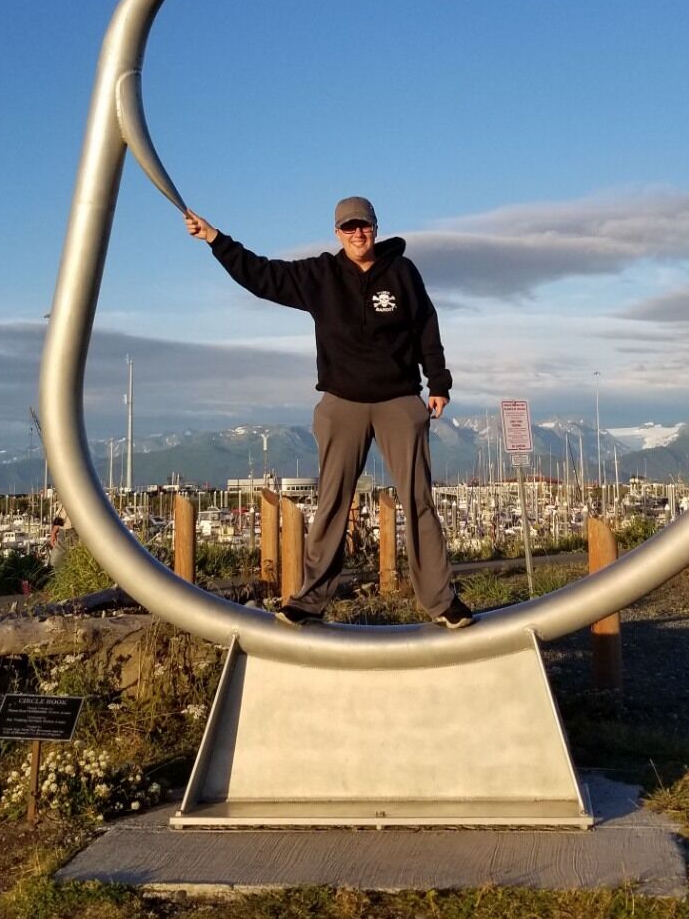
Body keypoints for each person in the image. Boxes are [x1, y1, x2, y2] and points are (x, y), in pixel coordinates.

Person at [184, 196, 474, 629]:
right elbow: (262, 275)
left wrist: (439, 383)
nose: (358, 234)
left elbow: (425, 326)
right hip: (341, 403)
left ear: (376, 227)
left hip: (399, 399)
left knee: (418, 501)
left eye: (364, 226)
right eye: (349, 227)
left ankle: (442, 601)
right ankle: (309, 600)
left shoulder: (402, 272)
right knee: (333, 502)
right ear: (337, 233)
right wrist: (214, 239)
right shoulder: (320, 275)